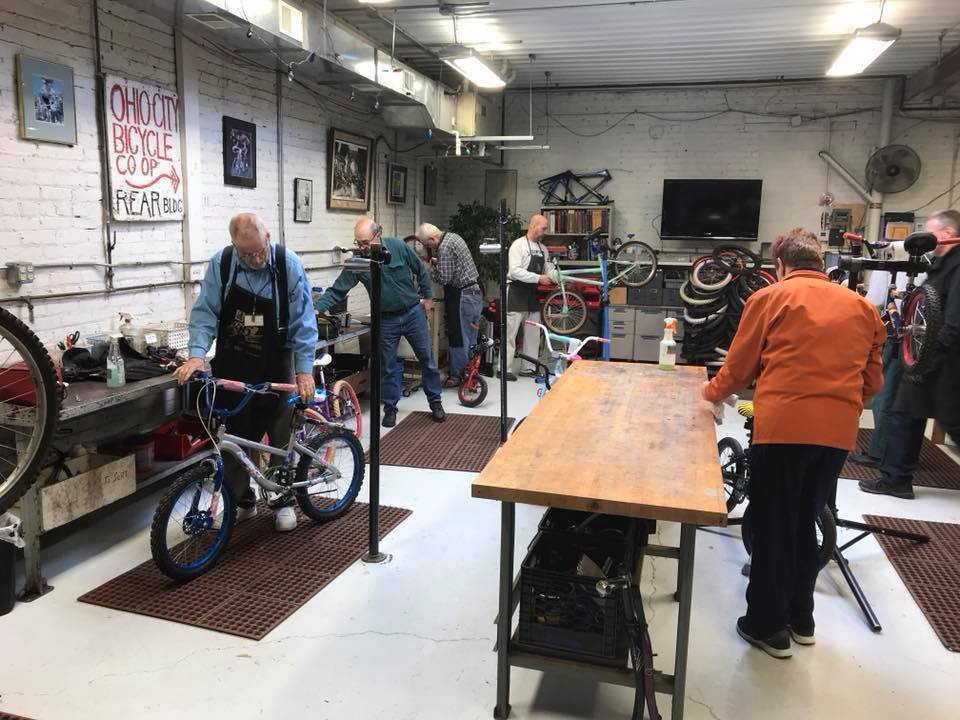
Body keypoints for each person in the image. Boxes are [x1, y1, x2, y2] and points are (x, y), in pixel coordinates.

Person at [702, 227, 885, 659]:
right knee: (806, 521)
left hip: (784, 428)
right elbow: (873, 382)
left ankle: (767, 627)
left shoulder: (769, 298)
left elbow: (739, 368)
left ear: (780, 265)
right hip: (836, 433)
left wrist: (708, 393)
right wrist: (838, 405)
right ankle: (802, 620)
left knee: (772, 525)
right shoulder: (862, 307)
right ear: (821, 264)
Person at [174, 213, 318, 532]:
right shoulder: (223, 264)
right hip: (234, 358)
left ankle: (281, 500)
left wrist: (304, 371)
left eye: (259, 250)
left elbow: (304, 321)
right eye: (247, 254)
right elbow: (205, 312)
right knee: (234, 432)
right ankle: (241, 500)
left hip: (276, 359)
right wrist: (196, 356)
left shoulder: (288, 265)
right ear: (234, 245)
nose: (255, 259)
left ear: (268, 238)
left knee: (281, 430)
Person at [859, 209, 960, 499]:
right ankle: (896, 479)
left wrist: (929, 358)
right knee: (905, 413)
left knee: (951, 421)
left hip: (944, 360)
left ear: (947, 234)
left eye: (931, 232)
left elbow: (954, 321)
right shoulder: (941, 265)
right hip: (924, 356)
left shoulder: (957, 266)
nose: (926, 238)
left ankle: (896, 478)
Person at [314, 218, 445, 428]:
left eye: (366, 242)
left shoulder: (398, 247)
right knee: (387, 366)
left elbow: (421, 271)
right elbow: (337, 290)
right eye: (358, 243)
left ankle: (435, 402)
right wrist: (316, 308)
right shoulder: (358, 262)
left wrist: (428, 297)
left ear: (378, 234)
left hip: (412, 313)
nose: (363, 247)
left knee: (427, 359)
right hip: (385, 319)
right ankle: (390, 408)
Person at [849, 241, 927, 468]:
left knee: (886, 396)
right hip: (923, 339)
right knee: (911, 399)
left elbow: (873, 302)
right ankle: (905, 454)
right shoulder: (934, 264)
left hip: (900, 336)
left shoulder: (889, 263)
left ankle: (879, 453)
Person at [417, 223, 482, 386]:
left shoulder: (444, 247)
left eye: (427, 244)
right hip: (474, 294)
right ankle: (471, 374)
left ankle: (457, 376)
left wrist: (427, 269)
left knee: (458, 336)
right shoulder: (454, 237)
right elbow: (456, 265)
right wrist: (437, 262)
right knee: (471, 336)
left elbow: (444, 278)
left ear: (432, 239)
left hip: (462, 296)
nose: (428, 248)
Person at [504, 214, 558, 381]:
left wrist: (559, 277)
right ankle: (504, 369)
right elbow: (515, 271)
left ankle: (528, 368)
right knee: (511, 333)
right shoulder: (518, 245)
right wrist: (538, 278)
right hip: (516, 291)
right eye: (543, 228)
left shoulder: (543, 249)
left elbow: (549, 269)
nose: (545, 231)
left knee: (533, 333)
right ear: (533, 225)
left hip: (532, 293)